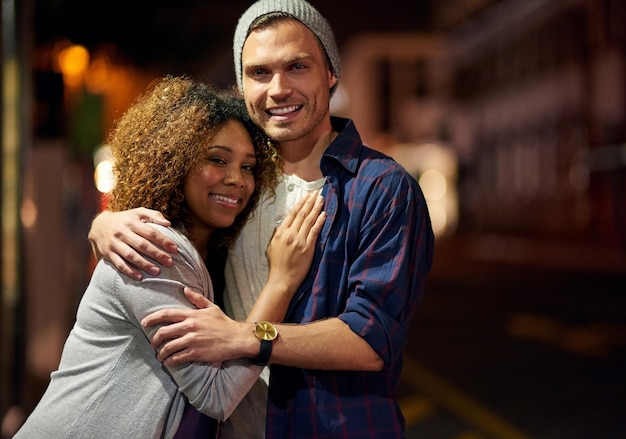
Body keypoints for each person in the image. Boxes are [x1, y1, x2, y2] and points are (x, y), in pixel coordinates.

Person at [88, 1, 435, 437]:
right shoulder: (237, 185)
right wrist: (103, 225)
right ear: (240, 84)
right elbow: (174, 231)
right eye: (259, 73)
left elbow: (370, 341)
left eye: (297, 67)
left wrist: (247, 336)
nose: (278, 89)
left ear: (331, 74)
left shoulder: (382, 187)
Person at [14, 76, 325, 439]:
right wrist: (281, 282)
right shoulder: (156, 248)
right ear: (175, 161)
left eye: (248, 166)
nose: (236, 179)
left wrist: (102, 224)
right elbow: (216, 394)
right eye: (217, 160)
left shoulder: (214, 253)